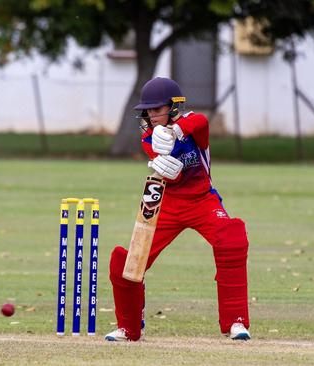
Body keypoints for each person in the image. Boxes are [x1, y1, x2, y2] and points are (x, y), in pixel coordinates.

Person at [105, 77, 251, 341]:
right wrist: (171, 172)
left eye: (156, 109)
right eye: (147, 111)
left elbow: (201, 122)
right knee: (129, 262)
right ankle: (129, 327)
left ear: (173, 107)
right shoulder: (148, 138)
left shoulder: (192, 124)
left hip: (203, 201)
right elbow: (171, 175)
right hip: (167, 205)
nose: (151, 115)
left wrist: (175, 132)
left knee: (232, 239)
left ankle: (236, 322)